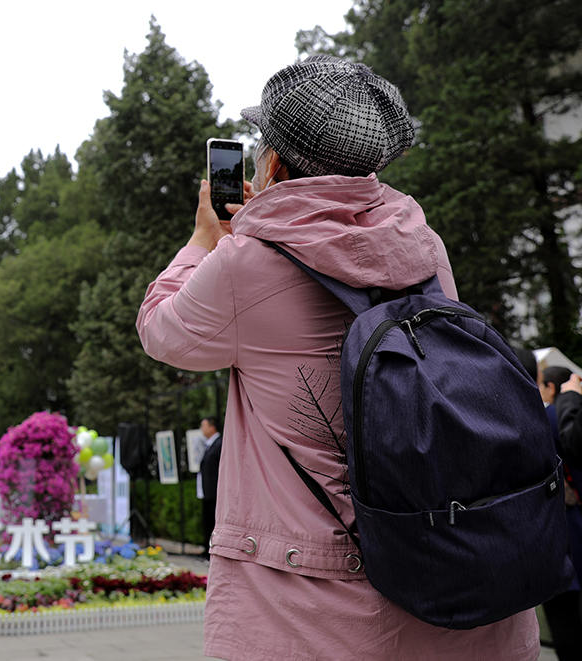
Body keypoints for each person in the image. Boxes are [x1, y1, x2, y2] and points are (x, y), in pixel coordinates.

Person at [137, 55, 539, 659]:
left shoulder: (247, 260)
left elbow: (162, 332)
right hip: (456, 573)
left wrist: (203, 243)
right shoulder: (422, 243)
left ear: (271, 162)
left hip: (312, 604)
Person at [196, 417, 221, 560]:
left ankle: (211, 551)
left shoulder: (219, 443)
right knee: (206, 522)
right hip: (207, 492)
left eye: (203, 426)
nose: (202, 429)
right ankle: (206, 549)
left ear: (212, 427)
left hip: (214, 492)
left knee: (212, 522)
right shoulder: (210, 445)